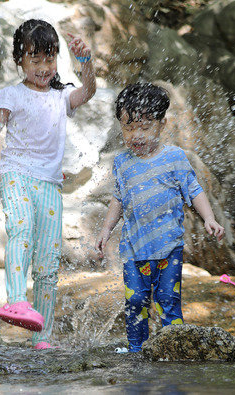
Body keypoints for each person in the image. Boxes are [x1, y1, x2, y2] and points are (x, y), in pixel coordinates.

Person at [0, 19, 96, 349]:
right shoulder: (12, 95)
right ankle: (16, 299)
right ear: (19, 60)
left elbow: (88, 91)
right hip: (16, 175)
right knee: (21, 229)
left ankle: (41, 338)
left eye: (50, 59)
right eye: (35, 60)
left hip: (50, 185)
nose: (44, 67)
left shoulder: (61, 97)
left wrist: (86, 63)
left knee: (48, 263)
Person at [95, 82, 225, 353]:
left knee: (168, 300)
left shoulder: (174, 158)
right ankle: (136, 350)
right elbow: (118, 200)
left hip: (169, 249)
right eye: (129, 128)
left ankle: (174, 348)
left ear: (162, 124)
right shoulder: (121, 163)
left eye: (144, 127)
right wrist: (106, 230)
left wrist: (209, 218)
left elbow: (194, 190)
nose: (136, 135)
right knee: (136, 302)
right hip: (134, 249)